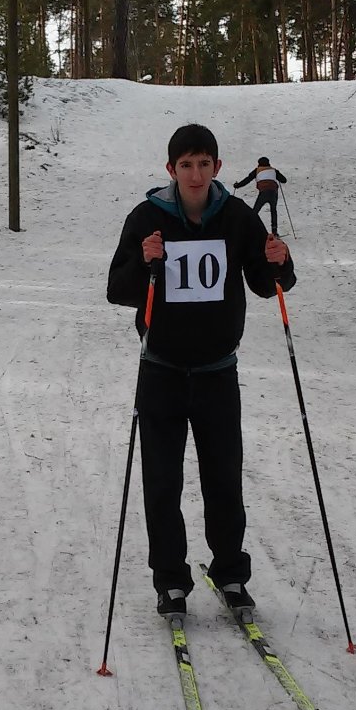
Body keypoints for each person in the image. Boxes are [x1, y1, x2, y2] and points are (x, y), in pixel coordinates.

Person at [107, 123, 294, 621]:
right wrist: (144, 262)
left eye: (204, 164)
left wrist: (281, 262)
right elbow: (117, 288)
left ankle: (230, 573)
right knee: (162, 484)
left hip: (216, 374)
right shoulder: (147, 217)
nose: (195, 173)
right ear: (171, 170)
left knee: (224, 480)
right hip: (161, 372)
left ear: (217, 167)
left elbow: (263, 281)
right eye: (185, 165)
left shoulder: (234, 216)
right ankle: (170, 580)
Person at [233, 155, 287, 234]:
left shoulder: (257, 170)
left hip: (263, 193)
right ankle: (274, 231)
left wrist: (237, 185)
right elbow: (284, 180)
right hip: (273, 193)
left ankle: (249, 229)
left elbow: (247, 180)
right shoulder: (273, 170)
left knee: (255, 212)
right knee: (273, 211)